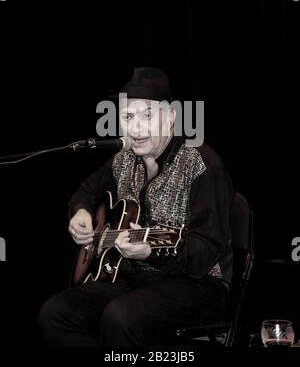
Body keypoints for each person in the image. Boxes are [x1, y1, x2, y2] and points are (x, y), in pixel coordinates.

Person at [39, 67, 234, 347]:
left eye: (147, 115)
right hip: (132, 278)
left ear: (170, 118)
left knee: (120, 317)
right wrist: (80, 212)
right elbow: (87, 191)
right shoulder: (123, 159)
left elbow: (207, 246)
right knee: (55, 313)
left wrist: (152, 252)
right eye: (128, 117)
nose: (136, 128)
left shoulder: (201, 163)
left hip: (199, 283)